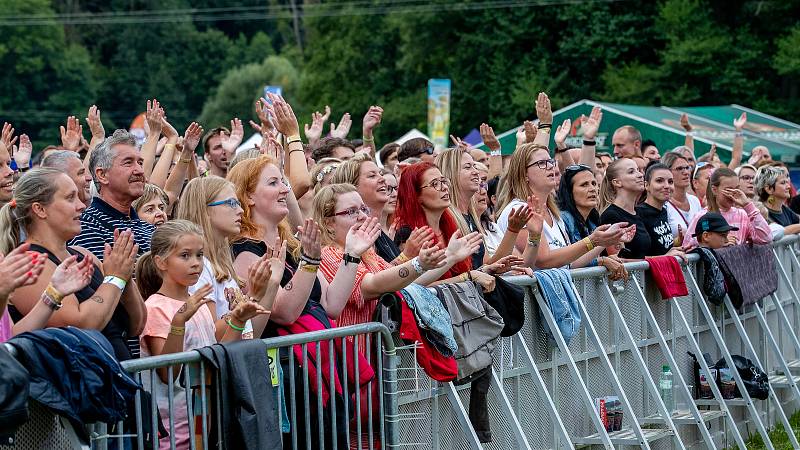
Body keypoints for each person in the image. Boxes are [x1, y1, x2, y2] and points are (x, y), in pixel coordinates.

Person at [137, 220, 271, 450]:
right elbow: (168, 373)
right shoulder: (155, 307)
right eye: (185, 256)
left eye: (199, 255)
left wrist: (238, 320)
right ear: (161, 262)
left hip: (206, 424)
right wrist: (179, 321)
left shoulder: (198, 304)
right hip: (171, 432)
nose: (196, 263)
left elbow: (217, 356)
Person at [0, 168, 145, 361]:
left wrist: (124, 276)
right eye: (70, 198)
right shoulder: (31, 263)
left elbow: (137, 324)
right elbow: (79, 325)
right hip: (81, 386)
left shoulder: (85, 255)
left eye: (79, 197)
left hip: (119, 382)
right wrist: (114, 278)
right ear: (40, 209)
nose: (81, 206)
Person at [315, 183, 477, 329]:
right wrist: (418, 263)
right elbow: (373, 285)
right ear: (329, 223)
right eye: (352, 211)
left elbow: (407, 282)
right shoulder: (329, 254)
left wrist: (450, 256)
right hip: (350, 357)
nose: (363, 216)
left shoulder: (368, 254)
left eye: (363, 209)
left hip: (371, 356)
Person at [494, 143, 627, 269]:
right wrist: (592, 241)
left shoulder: (554, 213)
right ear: (524, 174)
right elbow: (544, 260)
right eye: (541, 163)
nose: (551, 166)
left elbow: (569, 263)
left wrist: (604, 240)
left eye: (550, 161)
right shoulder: (518, 209)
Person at [392, 163, 498, 285]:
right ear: (416, 195)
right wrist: (467, 277)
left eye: (443, 181)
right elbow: (412, 286)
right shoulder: (410, 235)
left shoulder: (451, 227)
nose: (444, 188)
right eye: (435, 184)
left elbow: (458, 272)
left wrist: (484, 270)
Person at [69, 129, 156, 260]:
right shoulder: (85, 226)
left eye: (140, 163)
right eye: (128, 163)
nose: (139, 171)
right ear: (102, 175)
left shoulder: (150, 229)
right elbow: (102, 279)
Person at [331, 154, 414, 264]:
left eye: (380, 174)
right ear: (351, 186)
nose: (382, 179)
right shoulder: (352, 238)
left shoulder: (380, 233)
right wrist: (406, 256)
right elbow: (376, 279)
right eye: (372, 176)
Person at [556, 164, 627, 278]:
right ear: (569, 192)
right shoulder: (563, 219)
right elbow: (567, 264)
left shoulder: (592, 221)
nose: (592, 189)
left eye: (594, 183)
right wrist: (601, 261)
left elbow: (587, 258)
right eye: (584, 185)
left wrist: (610, 248)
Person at [682, 168, 772, 248]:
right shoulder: (702, 216)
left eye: (736, 189)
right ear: (714, 190)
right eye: (728, 189)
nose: (733, 194)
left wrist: (748, 205)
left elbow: (766, 238)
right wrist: (718, 241)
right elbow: (687, 245)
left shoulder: (742, 215)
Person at [598, 159, 654, 260]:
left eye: (638, 170)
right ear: (617, 182)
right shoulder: (611, 215)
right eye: (631, 171)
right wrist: (665, 257)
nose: (641, 175)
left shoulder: (639, 212)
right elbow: (619, 261)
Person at [636, 163, 685, 257]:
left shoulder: (664, 211)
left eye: (670, 182)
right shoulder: (638, 213)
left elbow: (658, 248)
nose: (667, 186)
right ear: (647, 185)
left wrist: (676, 242)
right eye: (659, 181)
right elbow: (636, 258)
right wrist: (666, 257)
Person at [661, 151, 703, 241]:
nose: (686, 172)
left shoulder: (694, 201)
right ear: (667, 172)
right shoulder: (664, 205)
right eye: (680, 168)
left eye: (687, 168)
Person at [755, 166, 800, 233]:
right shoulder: (760, 211)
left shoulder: (783, 208)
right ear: (769, 189)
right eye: (783, 183)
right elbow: (774, 232)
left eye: (787, 182)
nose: (788, 186)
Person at [381, 169, 398, 239]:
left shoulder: (396, 228)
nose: (395, 194)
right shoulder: (369, 233)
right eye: (388, 189)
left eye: (396, 188)